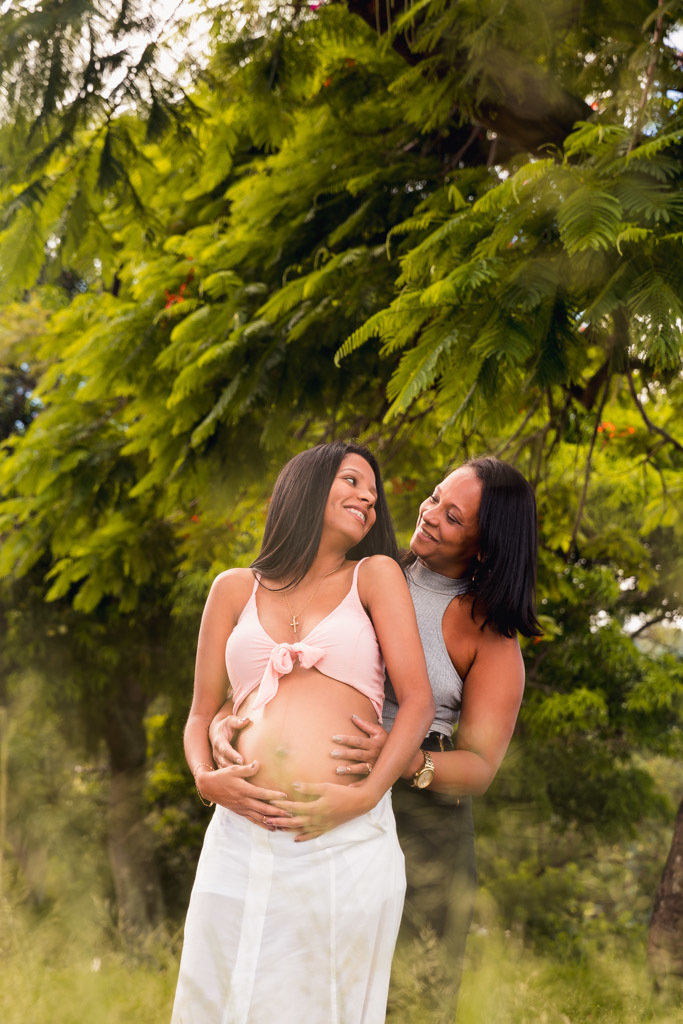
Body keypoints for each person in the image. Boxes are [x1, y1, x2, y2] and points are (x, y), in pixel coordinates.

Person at [210, 455, 540, 1011]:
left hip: (422, 819)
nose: (430, 514)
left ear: (484, 546)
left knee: (411, 993)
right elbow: (269, 662)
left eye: (453, 517)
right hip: (323, 794)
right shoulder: (362, 568)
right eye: (435, 497)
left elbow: (480, 767)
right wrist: (224, 720)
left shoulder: (491, 638)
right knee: (310, 989)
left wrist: (405, 760)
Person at [171, 441, 435, 1024]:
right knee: (218, 998)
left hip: (343, 836)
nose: (368, 497)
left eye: (373, 491)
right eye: (351, 480)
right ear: (307, 486)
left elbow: (417, 702)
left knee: (323, 1006)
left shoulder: (375, 575)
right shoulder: (233, 588)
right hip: (239, 838)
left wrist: (364, 797)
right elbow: (200, 712)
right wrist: (206, 779)